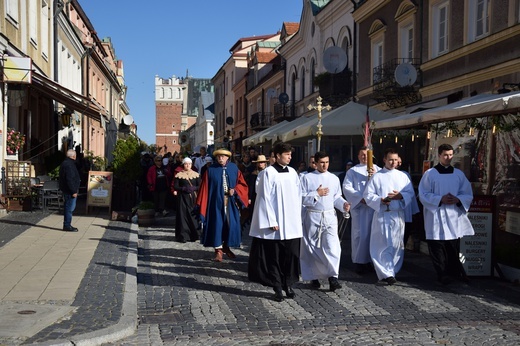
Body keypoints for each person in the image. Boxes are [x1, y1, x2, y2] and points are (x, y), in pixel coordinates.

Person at [248, 142, 303, 302]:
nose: (290, 157)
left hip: (291, 223)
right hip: (276, 223)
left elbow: (298, 194)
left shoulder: (293, 172)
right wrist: (271, 220)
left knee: (291, 254)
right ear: (278, 156)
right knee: (275, 257)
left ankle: (288, 283)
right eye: (287, 155)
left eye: (290, 155)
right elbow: (264, 197)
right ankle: (277, 286)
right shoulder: (268, 173)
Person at [418, 143, 475, 285]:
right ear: (439, 156)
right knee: (437, 247)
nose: (448, 158)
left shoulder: (458, 174)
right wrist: (439, 199)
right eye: (445, 155)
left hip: (453, 215)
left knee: (452, 246)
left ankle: (454, 272)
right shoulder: (430, 174)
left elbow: (467, 193)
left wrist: (458, 199)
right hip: (436, 215)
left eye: (450, 155)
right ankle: (441, 274)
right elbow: (423, 193)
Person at [363, 148, 415, 285]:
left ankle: (392, 270)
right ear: (384, 160)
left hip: (397, 215)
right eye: (390, 159)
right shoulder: (377, 176)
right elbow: (368, 195)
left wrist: (401, 196)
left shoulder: (403, 176)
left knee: (396, 245)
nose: (393, 162)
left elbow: (410, 193)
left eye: (395, 160)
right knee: (383, 245)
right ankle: (386, 273)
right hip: (382, 215)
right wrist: (380, 200)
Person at [300, 151, 350, 291]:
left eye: (327, 162)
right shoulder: (306, 178)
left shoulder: (334, 178)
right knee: (313, 248)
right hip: (313, 216)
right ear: (315, 163)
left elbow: (336, 197)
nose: (325, 165)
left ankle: (333, 277)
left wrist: (344, 204)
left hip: (329, 217)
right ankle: (314, 276)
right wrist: (317, 194)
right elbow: (301, 198)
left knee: (333, 247)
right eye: (322, 162)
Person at [196, 148, 249, 262]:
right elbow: (204, 188)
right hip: (215, 203)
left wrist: (235, 190)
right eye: (219, 156)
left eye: (223, 156)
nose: (220, 158)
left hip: (230, 203)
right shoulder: (211, 170)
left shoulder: (234, 168)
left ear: (227, 157)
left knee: (230, 225)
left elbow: (242, 184)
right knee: (217, 225)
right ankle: (218, 251)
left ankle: (227, 246)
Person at [342, 146, 381, 274]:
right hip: (360, 208)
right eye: (362, 155)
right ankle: (359, 261)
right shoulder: (352, 171)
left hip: (373, 208)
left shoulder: (378, 170)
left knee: (373, 235)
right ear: (358, 156)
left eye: (367, 155)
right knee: (360, 235)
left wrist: (375, 177)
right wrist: (360, 198)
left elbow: (382, 185)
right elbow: (347, 188)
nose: (365, 157)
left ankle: (371, 261)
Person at [173, 157, 201, 243]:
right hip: (182, 198)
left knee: (193, 215)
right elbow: (175, 186)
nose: (187, 165)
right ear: (183, 165)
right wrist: (183, 188)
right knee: (183, 216)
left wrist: (194, 188)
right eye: (186, 164)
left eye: (189, 164)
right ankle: (183, 236)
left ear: (191, 165)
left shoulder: (196, 174)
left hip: (193, 198)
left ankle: (194, 235)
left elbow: (200, 185)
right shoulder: (179, 175)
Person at [397, 157, 420, 249]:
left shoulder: (405, 175)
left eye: (399, 161)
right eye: (395, 160)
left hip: (405, 209)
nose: (397, 163)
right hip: (391, 209)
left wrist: (414, 210)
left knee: (403, 237)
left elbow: (411, 194)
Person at [59, 149, 81, 232]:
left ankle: (67, 224)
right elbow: (70, 179)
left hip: (67, 189)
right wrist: (73, 191)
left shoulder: (66, 163)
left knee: (69, 207)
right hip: (69, 191)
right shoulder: (69, 165)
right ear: (73, 156)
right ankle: (67, 225)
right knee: (69, 208)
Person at [336, 160, 354, 240]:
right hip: (342, 202)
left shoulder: (354, 175)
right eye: (348, 165)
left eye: (351, 165)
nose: (349, 167)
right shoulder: (341, 176)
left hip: (352, 202)